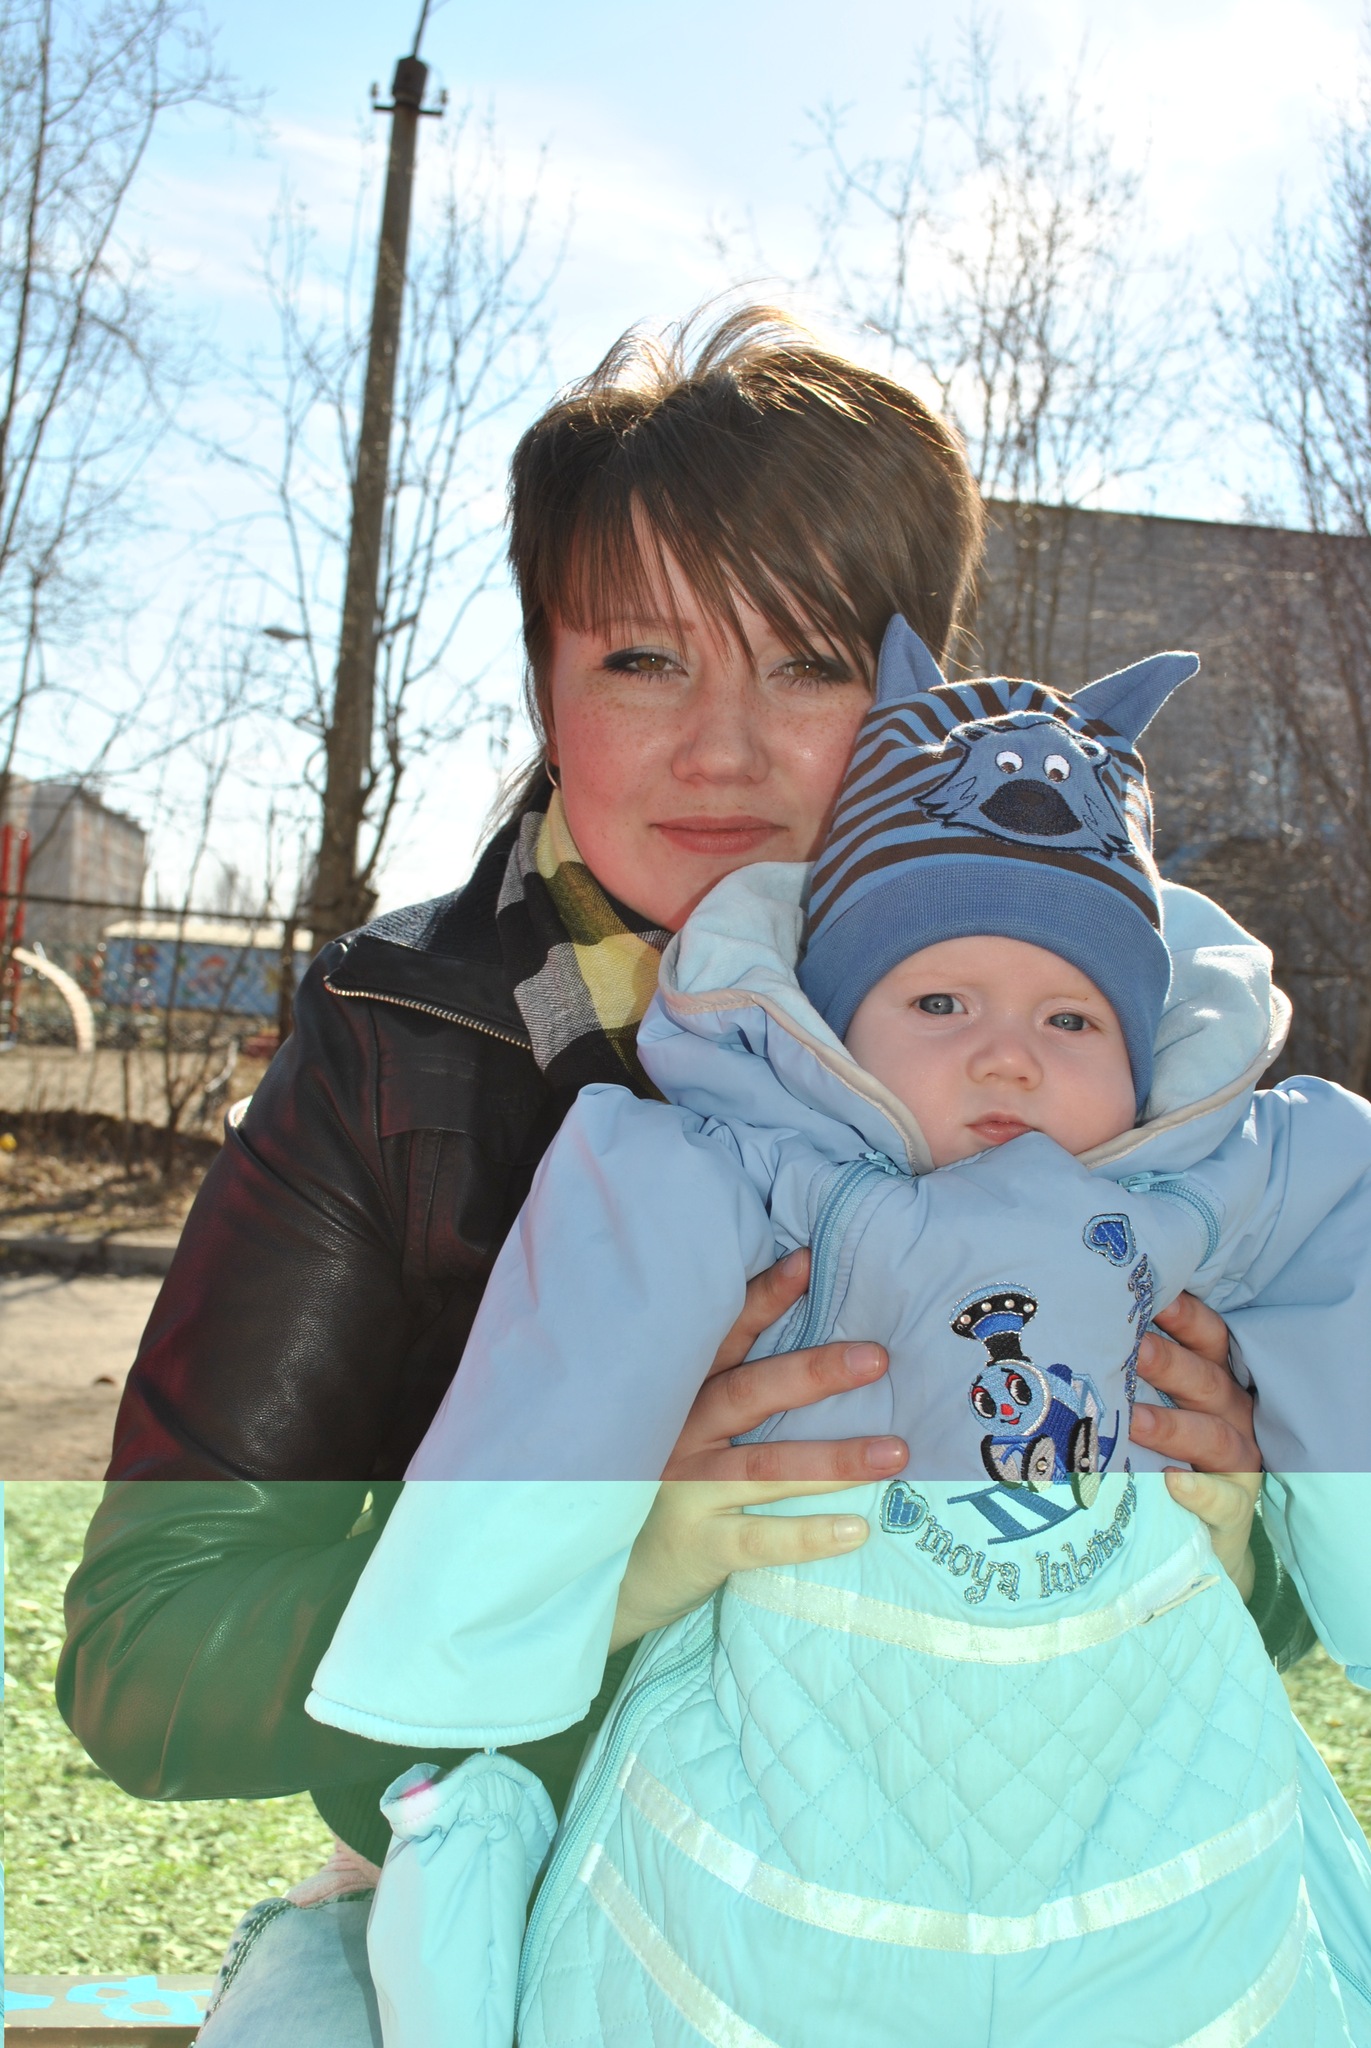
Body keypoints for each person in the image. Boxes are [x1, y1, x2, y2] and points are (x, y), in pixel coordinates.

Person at [58, 312, 1294, 2047]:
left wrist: (1243, 1518)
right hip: (494, 1884)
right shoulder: (402, 1036)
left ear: (915, 696)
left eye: (807, 663)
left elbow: (1246, 1580)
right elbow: (149, 1649)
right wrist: (599, 1575)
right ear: (544, 682)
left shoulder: (1085, 1048)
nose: (724, 747)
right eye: (643, 659)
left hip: (984, 1925)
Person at [309, 620, 1371, 2047]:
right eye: (939, 1001)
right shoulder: (762, 1169)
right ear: (833, 1029)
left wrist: (1305, 1536)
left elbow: (1349, 1242)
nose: (1008, 1053)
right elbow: (577, 1346)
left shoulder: (1201, 1187)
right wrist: (485, 1631)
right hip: (798, 1767)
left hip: (1149, 1788)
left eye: (1072, 1019)